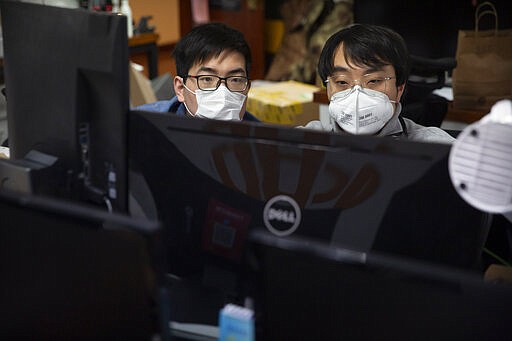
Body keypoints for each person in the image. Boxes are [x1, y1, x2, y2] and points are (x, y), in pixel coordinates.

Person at [302, 24, 455, 143]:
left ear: (400, 87)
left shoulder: (435, 149)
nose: (357, 95)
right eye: (342, 81)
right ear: (328, 88)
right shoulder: (302, 143)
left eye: (373, 81)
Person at [136, 22, 259, 122]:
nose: (223, 93)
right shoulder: (142, 126)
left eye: (235, 80)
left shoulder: (262, 143)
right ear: (180, 89)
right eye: (207, 79)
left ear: (247, 88)